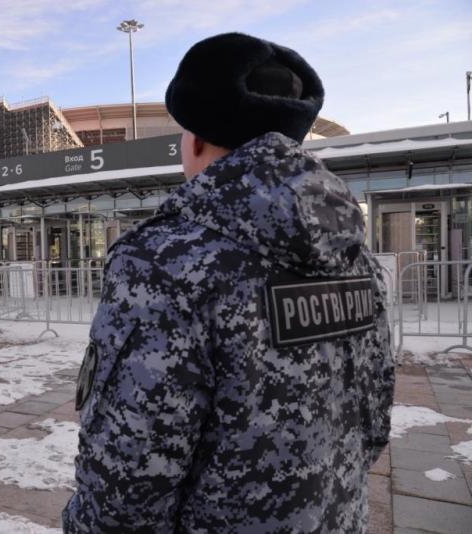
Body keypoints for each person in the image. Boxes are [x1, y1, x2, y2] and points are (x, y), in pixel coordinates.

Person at [62, 32, 394, 533]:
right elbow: (373, 420)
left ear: (195, 139)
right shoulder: (355, 258)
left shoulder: (165, 262)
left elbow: (128, 475)